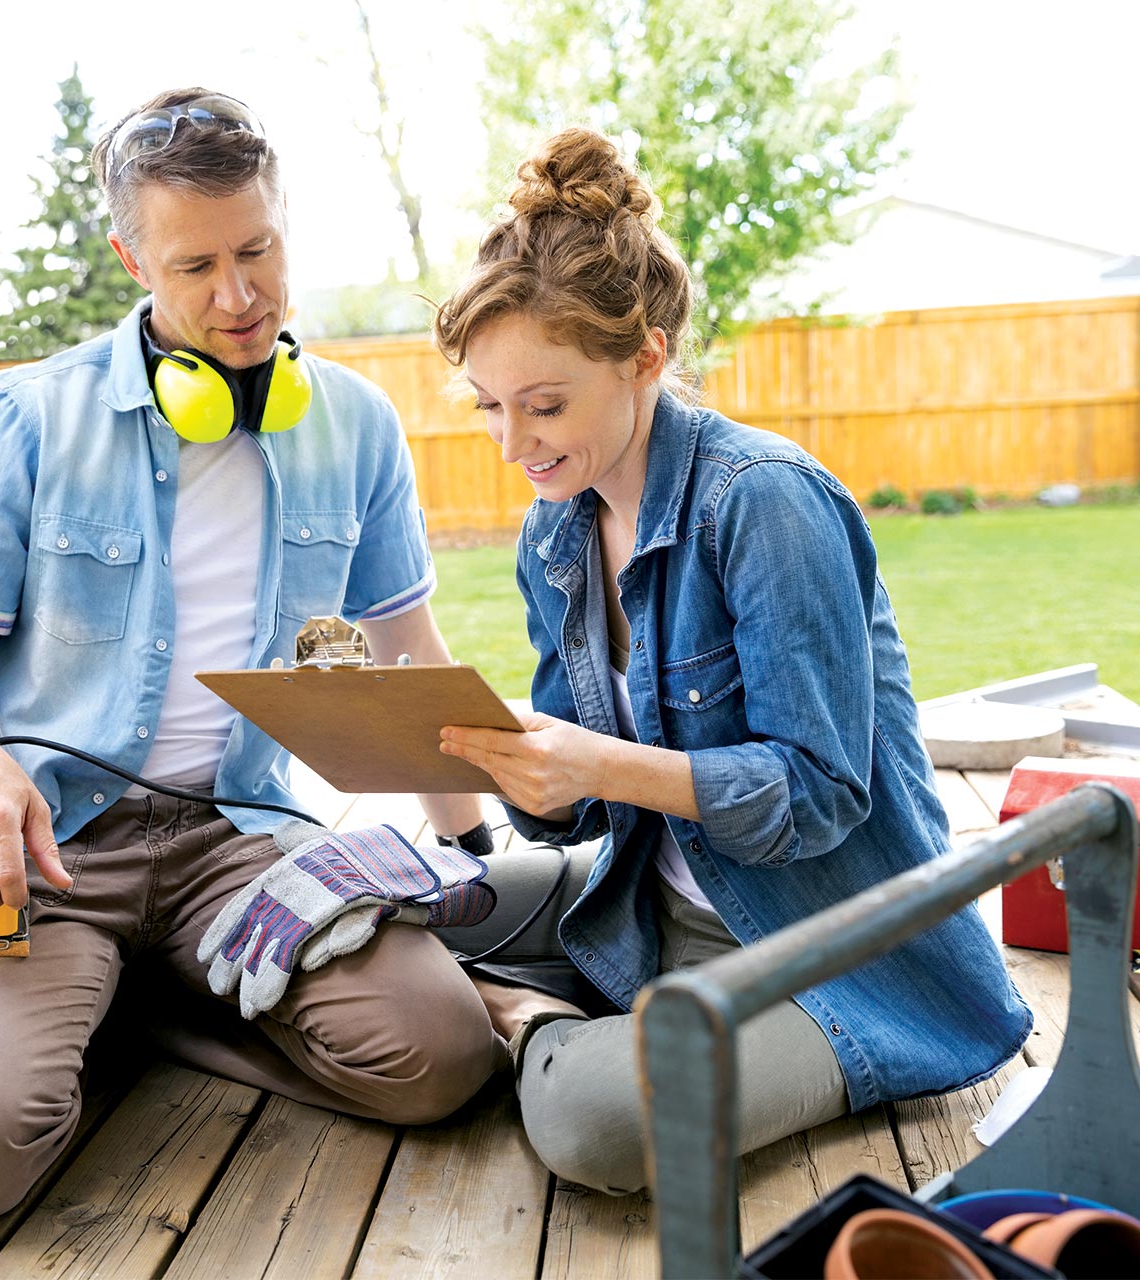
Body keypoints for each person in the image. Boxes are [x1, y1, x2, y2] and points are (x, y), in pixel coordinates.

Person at [0, 88, 504, 1222]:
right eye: (195, 265)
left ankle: (154, 998)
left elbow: (409, 656)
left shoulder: (354, 424)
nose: (240, 293)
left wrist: (481, 853)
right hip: (47, 847)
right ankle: (100, 988)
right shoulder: (19, 418)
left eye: (257, 248)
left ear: (284, 223)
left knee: (442, 1055)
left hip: (238, 842)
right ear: (130, 258)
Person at [433, 128, 1032, 1196]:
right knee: (397, 904)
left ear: (645, 358)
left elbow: (823, 791)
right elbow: (572, 815)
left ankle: (523, 1019)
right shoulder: (555, 532)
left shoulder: (762, 500)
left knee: (598, 1121)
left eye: (546, 403)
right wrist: (512, 762)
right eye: (490, 405)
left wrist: (599, 766)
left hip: (827, 947)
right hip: (648, 899)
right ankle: (551, 1003)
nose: (513, 442)